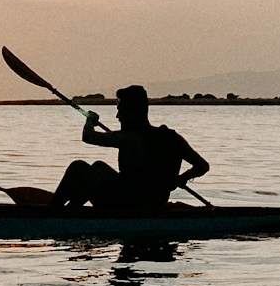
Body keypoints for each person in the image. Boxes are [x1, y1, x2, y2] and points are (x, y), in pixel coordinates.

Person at [51, 85, 208, 214]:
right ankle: (70, 210)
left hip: (130, 205)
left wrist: (90, 121)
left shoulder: (130, 138)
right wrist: (181, 179)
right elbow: (202, 166)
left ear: (132, 113)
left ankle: (53, 212)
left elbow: (89, 137)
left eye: (120, 110)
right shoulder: (172, 138)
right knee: (99, 166)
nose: (117, 116)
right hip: (155, 201)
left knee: (78, 167)